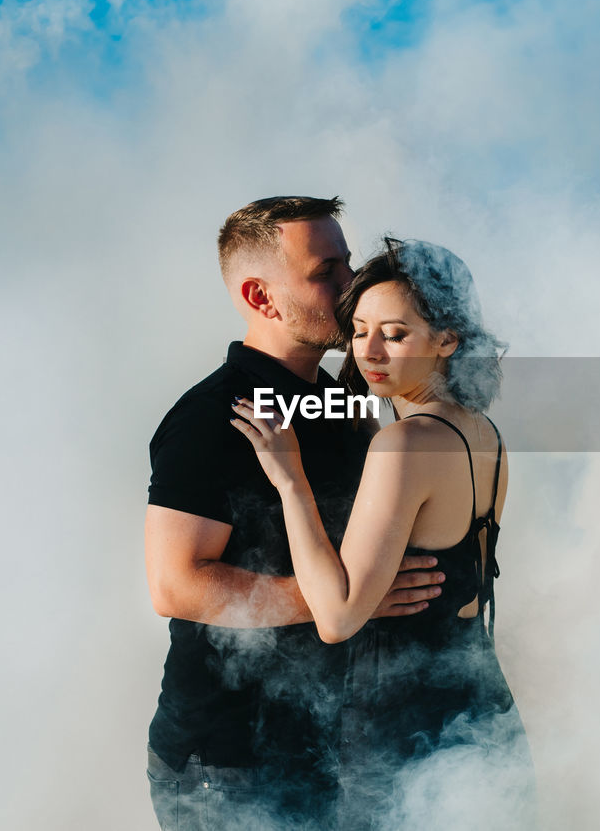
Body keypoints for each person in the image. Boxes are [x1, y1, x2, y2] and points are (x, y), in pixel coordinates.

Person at [143, 199, 446, 830]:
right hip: (229, 769)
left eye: (349, 266)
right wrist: (344, 600)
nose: (348, 287)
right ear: (261, 296)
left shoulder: (341, 396)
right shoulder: (212, 418)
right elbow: (175, 584)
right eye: (325, 272)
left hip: (334, 749)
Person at [230, 238, 536, 829]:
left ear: (447, 340)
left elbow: (339, 617)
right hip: (480, 709)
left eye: (394, 335)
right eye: (360, 328)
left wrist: (291, 479)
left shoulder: (405, 444)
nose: (368, 351)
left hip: (404, 728)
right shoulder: (482, 431)